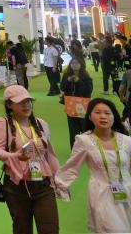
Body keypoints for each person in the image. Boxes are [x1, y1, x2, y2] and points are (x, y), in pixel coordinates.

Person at [0, 85, 61, 234]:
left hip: (43, 184)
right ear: (9, 104)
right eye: (21, 102)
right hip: (16, 186)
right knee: (22, 229)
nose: (27, 105)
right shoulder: (3, 123)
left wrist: (59, 180)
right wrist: (15, 156)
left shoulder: (41, 124)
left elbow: (49, 154)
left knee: (50, 229)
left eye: (28, 101)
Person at [55, 98, 131, 232]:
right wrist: (60, 185)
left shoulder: (126, 140)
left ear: (114, 116)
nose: (103, 116)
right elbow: (71, 166)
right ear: (90, 116)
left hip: (127, 192)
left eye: (107, 113)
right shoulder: (84, 141)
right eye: (98, 112)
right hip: (102, 194)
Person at [60, 57, 93, 147]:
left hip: (83, 105)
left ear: (81, 65)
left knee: (84, 128)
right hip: (70, 105)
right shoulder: (66, 75)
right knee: (73, 130)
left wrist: (79, 81)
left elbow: (88, 91)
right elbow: (62, 88)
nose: (74, 65)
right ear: (70, 65)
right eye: (73, 63)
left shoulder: (86, 77)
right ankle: (74, 149)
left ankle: (86, 148)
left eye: (77, 63)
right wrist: (68, 81)